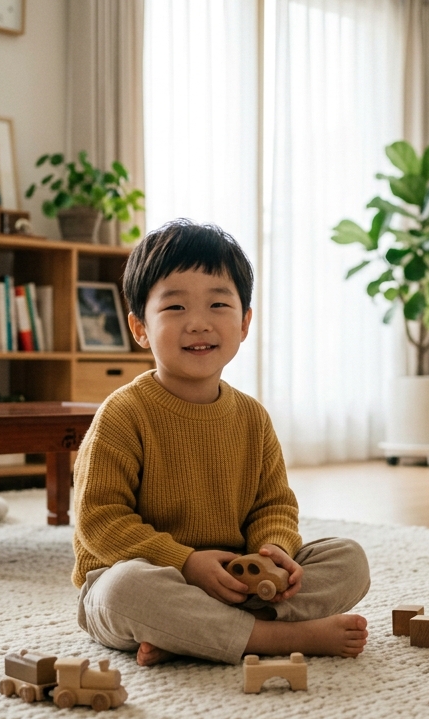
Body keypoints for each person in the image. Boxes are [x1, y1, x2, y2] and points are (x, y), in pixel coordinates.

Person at [71, 219, 371, 666]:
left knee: (349, 559)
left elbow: (274, 506)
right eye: (174, 308)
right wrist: (186, 562)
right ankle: (269, 638)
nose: (198, 323)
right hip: (151, 576)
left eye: (217, 304)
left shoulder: (252, 416)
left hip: (240, 583)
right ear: (139, 327)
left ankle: (194, 636)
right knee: (123, 591)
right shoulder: (124, 412)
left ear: (245, 322)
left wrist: (274, 555)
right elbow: (99, 521)